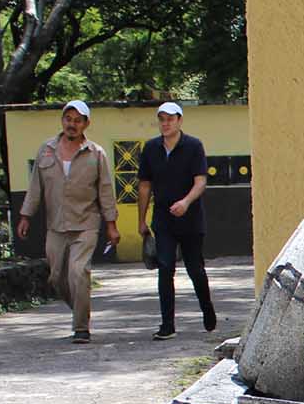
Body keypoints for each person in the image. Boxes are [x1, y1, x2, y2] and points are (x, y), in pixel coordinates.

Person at [17, 99, 118, 344]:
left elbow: (105, 190)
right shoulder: (46, 150)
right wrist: (25, 216)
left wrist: (111, 224)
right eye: (68, 119)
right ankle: (79, 309)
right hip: (56, 225)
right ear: (62, 121)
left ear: (86, 124)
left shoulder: (96, 154)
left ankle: (81, 327)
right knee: (57, 277)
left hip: (86, 223)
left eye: (77, 120)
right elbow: (35, 187)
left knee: (78, 272)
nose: (72, 124)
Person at [137, 100, 216, 339]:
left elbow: (200, 181)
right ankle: (167, 324)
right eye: (162, 119)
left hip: (190, 218)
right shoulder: (151, 148)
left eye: (170, 119)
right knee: (165, 268)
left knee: (195, 269)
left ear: (179, 121)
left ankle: (207, 308)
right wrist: (141, 220)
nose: (165, 123)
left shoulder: (193, 146)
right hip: (163, 218)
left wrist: (186, 202)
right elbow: (144, 186)